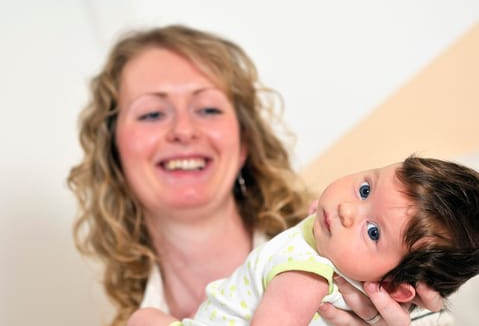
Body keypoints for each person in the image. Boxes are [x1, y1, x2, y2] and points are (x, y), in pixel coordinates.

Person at [67, 24, 449, 326]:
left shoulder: (389, 276)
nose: (183, 131)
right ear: (113, 151)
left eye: (208, 110)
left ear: (244, 140)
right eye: (152, 114)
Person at [126, 156, 479, 326]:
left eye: (373, 232)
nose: (346, 210)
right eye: (365, 189)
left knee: (143, 320)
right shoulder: (328, 243)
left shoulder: (305, 276)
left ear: (394, 286)